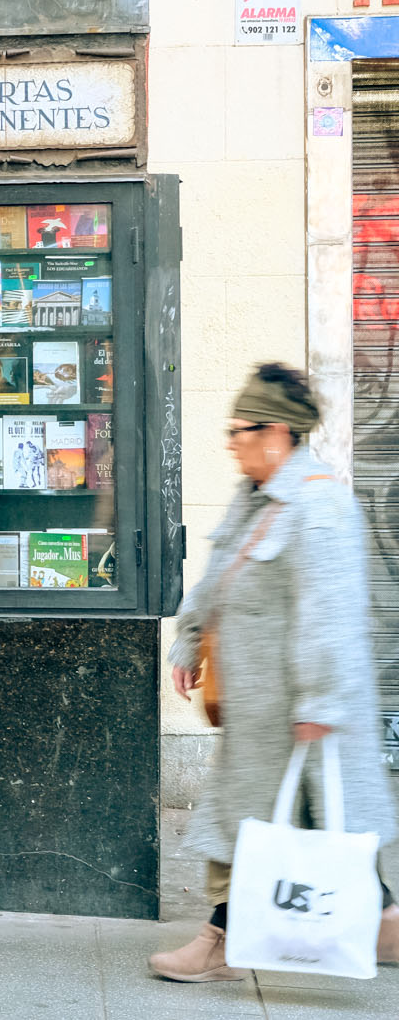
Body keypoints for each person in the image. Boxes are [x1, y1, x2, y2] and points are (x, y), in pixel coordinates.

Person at [155, 364, 399, 982]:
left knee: (264, 828)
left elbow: (333, 612)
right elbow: (220, 577)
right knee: (306, 827)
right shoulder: (256, 496)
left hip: (304, 712)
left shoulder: (318, 503)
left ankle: (221, 942)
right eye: (232, 429)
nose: (232, 440)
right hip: (263, 712)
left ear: (279, 433)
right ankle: (386, 924)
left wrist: (320, 702)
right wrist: (189, 642)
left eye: (243, 429)